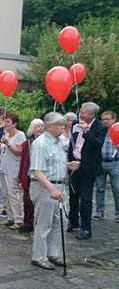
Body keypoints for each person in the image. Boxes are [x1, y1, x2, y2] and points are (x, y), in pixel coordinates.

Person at [30, 112, 80, 270]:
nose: (63, 128)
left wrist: (68, 165)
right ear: (49, 126)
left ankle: (53, 253)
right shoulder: (41, 143)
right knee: (43, 224)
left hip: (59, 186)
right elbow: (37, 171)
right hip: (45, 188)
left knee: (60, 223)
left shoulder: (59, 141)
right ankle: (39, 257)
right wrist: (51, 189)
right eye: (60, 125)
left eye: (63, 125)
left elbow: (55, 162)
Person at [68, 102, 106, 240]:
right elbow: (72, 142)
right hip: (73, 164)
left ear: (91, 114)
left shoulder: (99, 127)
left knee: (85, 199)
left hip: (87, 167)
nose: (80, 114)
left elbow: (98, 144)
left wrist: (86, 132)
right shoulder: (75, 124)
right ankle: (73, 222)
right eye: (80, 111)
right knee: (73, 195)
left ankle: (86, 229)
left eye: (83, 112)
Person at [0, 112, 26, 230]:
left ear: (15, 124)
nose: (5, 124)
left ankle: (19, 219)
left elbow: (20, 152)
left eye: (7, 122)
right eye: (5, 121)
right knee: (5, 193)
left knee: (13, 193)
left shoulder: (20, 135)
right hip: (3, 167)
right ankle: (10, 217)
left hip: (13, 168)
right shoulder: (6, 134)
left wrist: (7, 143)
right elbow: (5, 150)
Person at [18, 119, 45, 234]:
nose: (40, 129)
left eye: (41, 126)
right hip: (29, 175)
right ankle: (28, 223)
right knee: (27, 200)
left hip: (43, 175)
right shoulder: (27, 143)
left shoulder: (47, 142)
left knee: (41, 201)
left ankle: (39, 224)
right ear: (32, 129)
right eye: (37, 126)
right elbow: (23, 161)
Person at [94, 110, 119, 222]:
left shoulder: (118, 130)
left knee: (117, 188)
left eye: (108, 119)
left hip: (115, 162)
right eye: (103, 119)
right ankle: (99, 213)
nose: (105, 121)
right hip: (100, 162)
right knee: (99, 188)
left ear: (114, 119)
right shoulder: (99, 131)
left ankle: (118, 213)